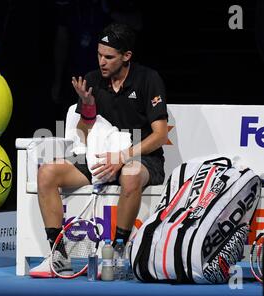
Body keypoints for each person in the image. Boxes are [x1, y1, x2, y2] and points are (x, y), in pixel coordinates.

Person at [29, 23, 168, 278]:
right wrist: (88, 107)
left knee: (131, 174)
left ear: (127, 56)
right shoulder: (92, 80)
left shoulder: (148, 79)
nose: (101, 62)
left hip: (140, 157)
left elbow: (160, 134)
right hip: (99, 156)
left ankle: (116, 253)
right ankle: (58, 255)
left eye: (109, 57)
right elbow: (83, 133)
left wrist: (123, 157)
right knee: (48, 172)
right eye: (99, 55)